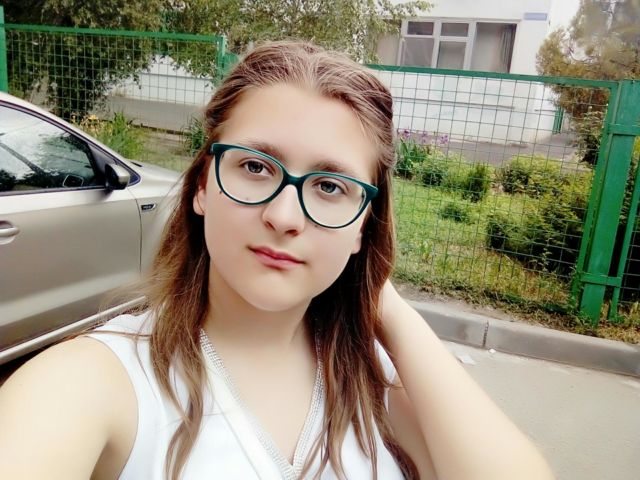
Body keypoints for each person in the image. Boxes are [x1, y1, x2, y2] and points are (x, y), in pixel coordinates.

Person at [0, 41, 554, 480]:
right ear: (202, 187)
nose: (285, 215)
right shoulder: (95, 381)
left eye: (330, 187)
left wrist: (386, 305)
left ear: (363, 226)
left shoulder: (380, 389)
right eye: (256, 167)